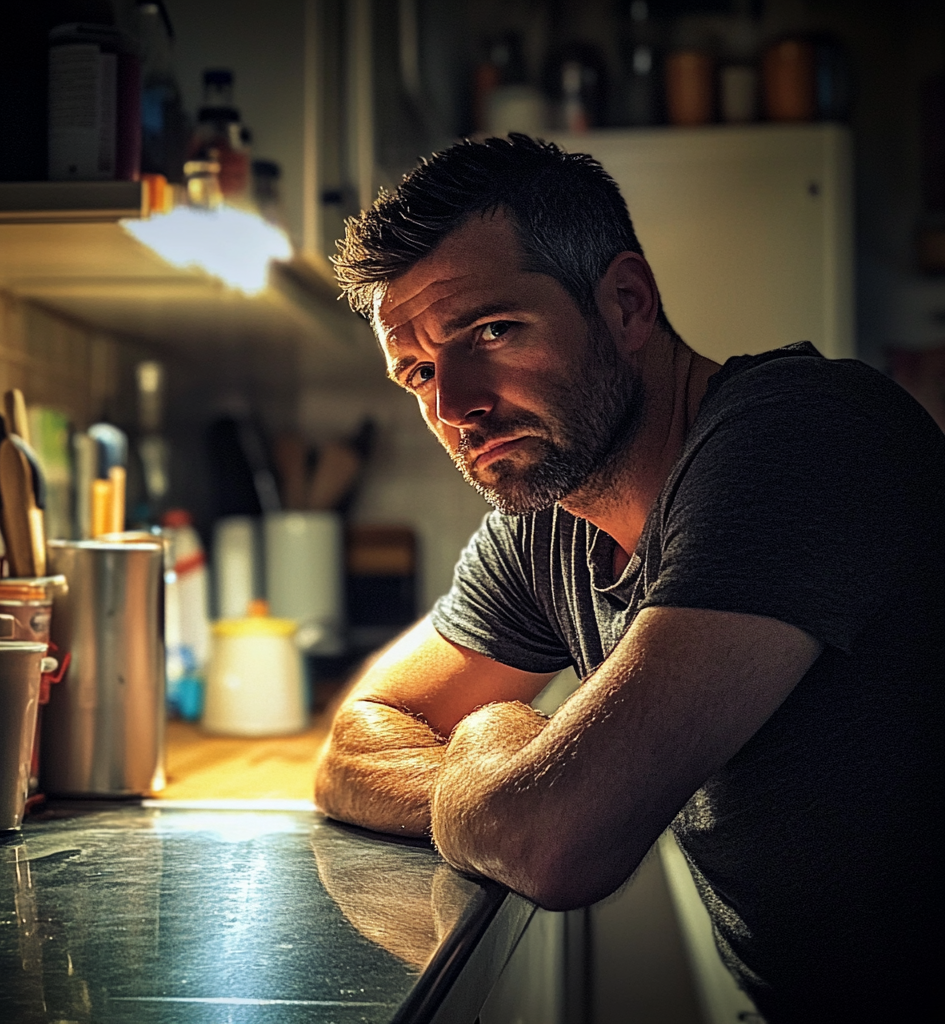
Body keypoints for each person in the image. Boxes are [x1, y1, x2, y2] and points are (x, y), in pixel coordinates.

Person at [314, 134, 944, 1022]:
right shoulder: (546, 523)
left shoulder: (804, 438)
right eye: (417, 370)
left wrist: (492, 733)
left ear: (626, 305)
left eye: (491, 331)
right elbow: (357, 740)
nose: (454, 406)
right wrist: (491, 793)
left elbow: (557, 843)